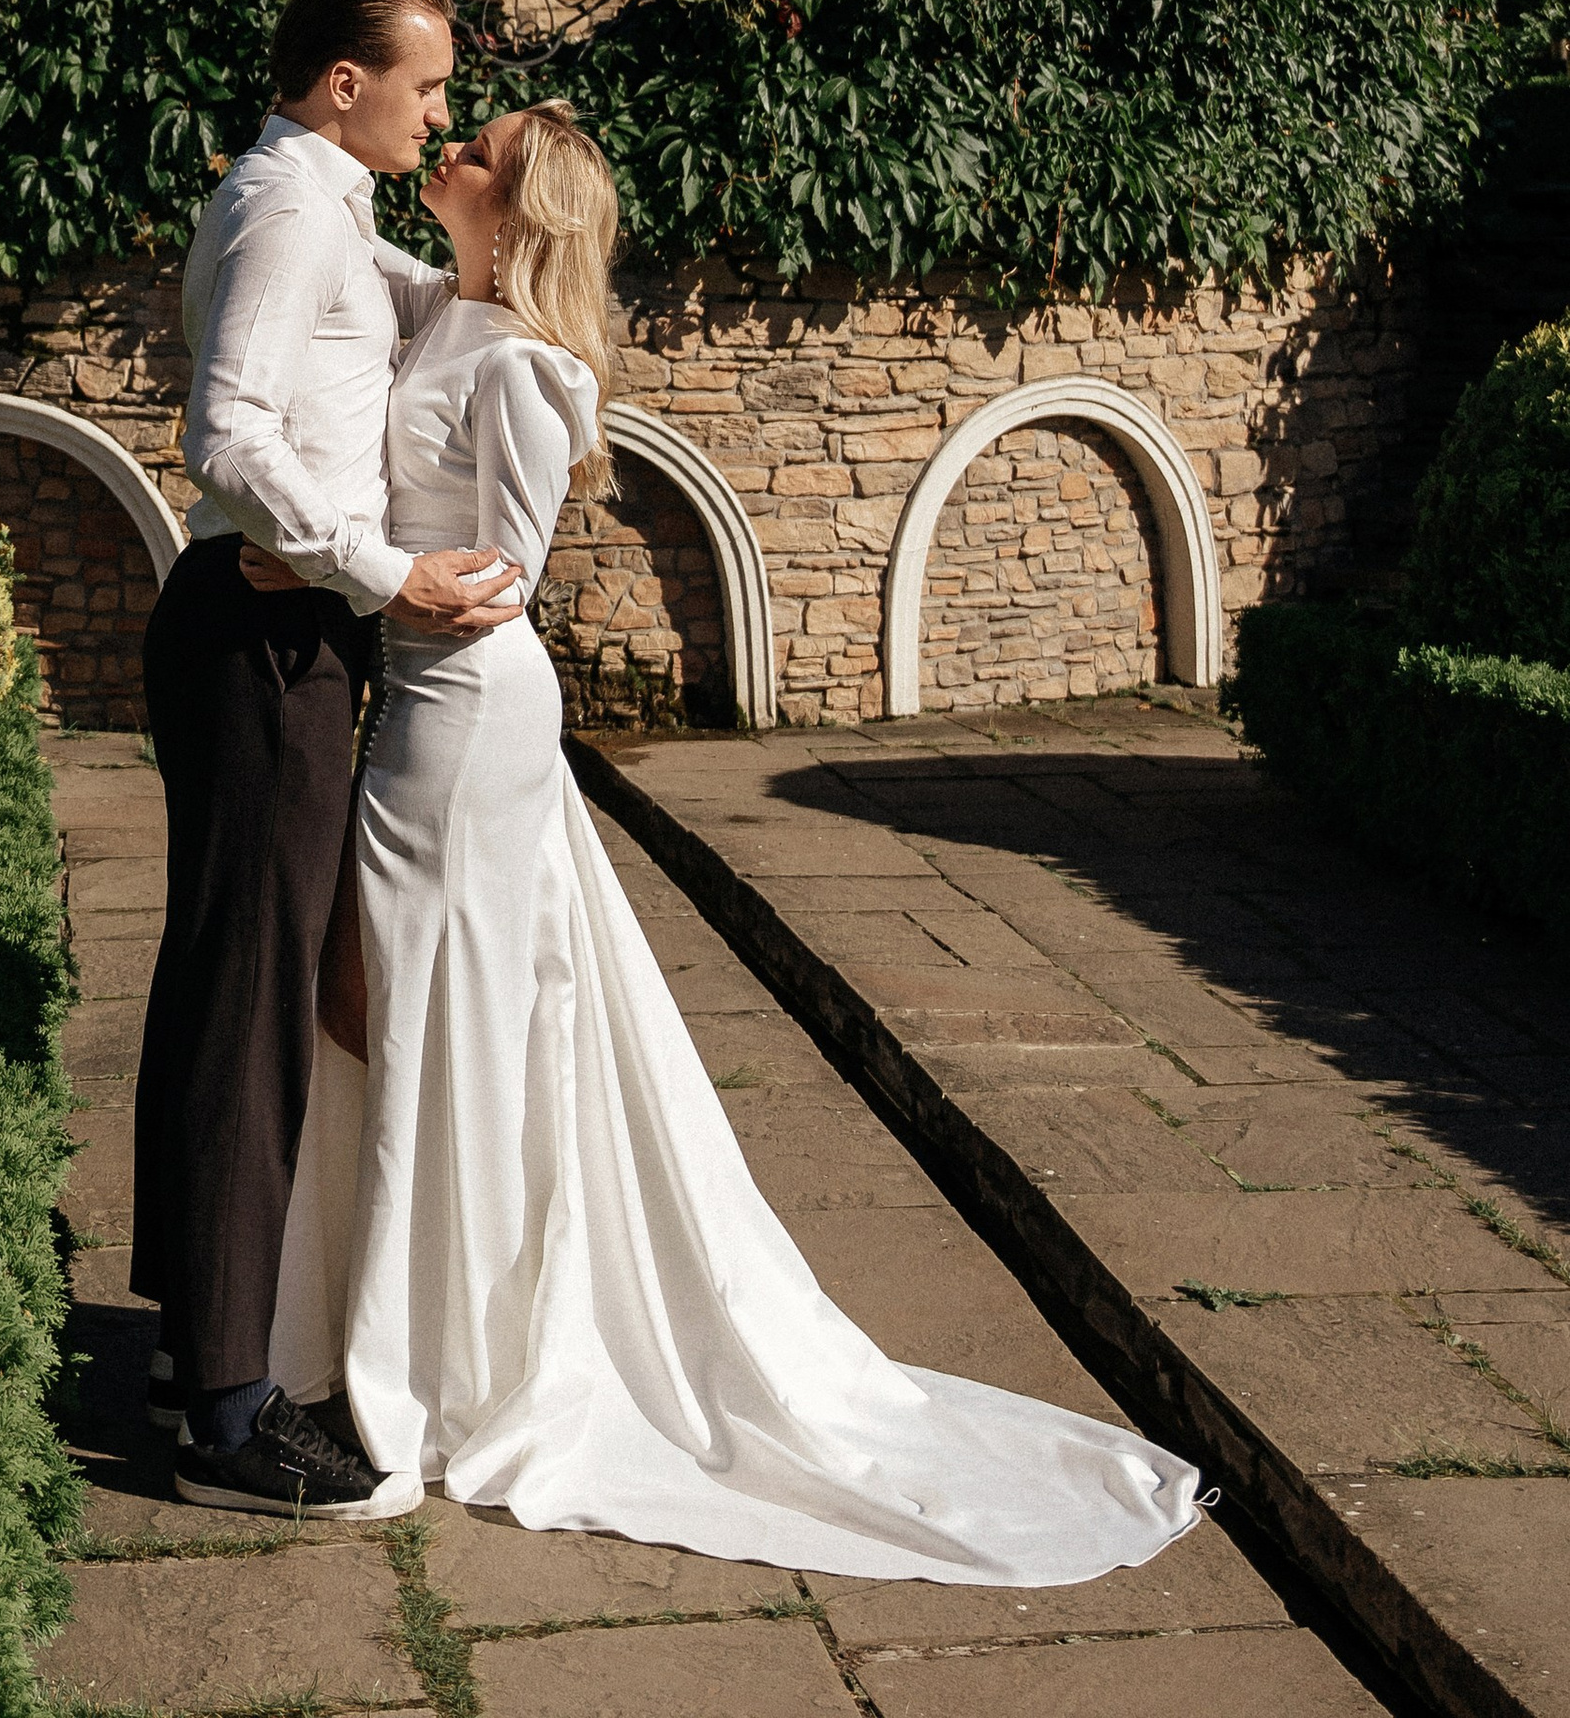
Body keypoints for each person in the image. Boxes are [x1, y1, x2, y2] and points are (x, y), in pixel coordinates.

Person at [268, 100, 1204, 1583]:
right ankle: (397, 1318)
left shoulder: (526, 364)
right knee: (386, 998)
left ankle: (434, 1351)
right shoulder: (445, 304)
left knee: (422, 1000)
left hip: (466, 719)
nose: (447, 151)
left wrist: (354, 577)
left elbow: (501, 576)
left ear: (512, 207)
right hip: (422, 707)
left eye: (477, 150)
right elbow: (322, 272)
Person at [131, 0, 525, 1521]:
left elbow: (432, 331)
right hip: (258, 640)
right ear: (345, 84)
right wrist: (382, 568)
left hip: (282, 630)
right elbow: (224, 431)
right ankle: (229, 1410)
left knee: (232, 974)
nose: (442, 112)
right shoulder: (288, 210)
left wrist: (479, 232)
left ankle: (194, 1336)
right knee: (255, 995)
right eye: (426, 88)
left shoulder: (334, 206)